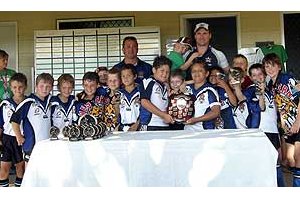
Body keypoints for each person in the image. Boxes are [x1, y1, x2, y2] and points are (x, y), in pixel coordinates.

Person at [263, 53, 300, 187]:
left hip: (298, 122)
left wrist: (297, 122)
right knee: (290, 160)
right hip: (288, 127)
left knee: (298, 159)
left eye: (273, 65)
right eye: (267, 66)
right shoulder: (271, 85)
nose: (270, 69)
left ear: (279, 66)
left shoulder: (287, 79)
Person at [248, 63, 285, 187]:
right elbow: (261, 108)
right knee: (264, 164)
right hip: (261, 131)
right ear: (251, 77)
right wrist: (261, 94)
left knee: (277, 162)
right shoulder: (251, 90)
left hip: (273, 130)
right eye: (254, 75)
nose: (258, 77)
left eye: (260, 74)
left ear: (264, 74)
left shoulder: (271, 88)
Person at [10, 73, 54, 164]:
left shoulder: (51, 101)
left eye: (48, 86)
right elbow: (14, 121)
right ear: (36, 86)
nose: (44, 89)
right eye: (41, 86)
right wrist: (19, 137)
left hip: (47, 143)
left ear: (51, 88)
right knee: (30, 173)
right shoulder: (28, 102)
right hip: (31, 145)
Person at [0, 73, 27, 187]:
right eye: (15, 87)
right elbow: (1, 124)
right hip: (7, 139)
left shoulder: (29, 103)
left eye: (20, 87)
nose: (18, 90)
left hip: (22, 140)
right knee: (4, 168)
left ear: (25, 87)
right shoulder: (5, 104)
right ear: (11, 88)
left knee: (20, 168)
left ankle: (18, 190)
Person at [139, 55, 174, 131]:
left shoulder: (166, 86)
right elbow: (144, 102)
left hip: (165, 125)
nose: (165, 74)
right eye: (162, 71)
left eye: (167, 72)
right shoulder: (148, 82)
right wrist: (163, 115)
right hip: (151, 124)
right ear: (154, 70)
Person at [184, 59, 221, 131]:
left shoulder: (210, 90)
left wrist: (196, 120)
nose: (196, 73)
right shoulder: (186, 89)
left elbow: (215, 112)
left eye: (200, 71)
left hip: (204, 132)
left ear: (206, 74)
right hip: (187, 131)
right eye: (194, 71)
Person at [51, 74, 76, 138]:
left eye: (69, 88)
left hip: (71, 137)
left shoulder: (75, 101)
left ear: (73, 88)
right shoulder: (52, 103)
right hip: (56, 139)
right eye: (64, 88)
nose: (67, 91)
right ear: (59, 88)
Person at [118, 64, 140, 132]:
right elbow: (117, 113)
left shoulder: (140, 92)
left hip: (138, 127)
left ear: (135, 76)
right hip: (123, 128)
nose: (125, 78)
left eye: (128, 75)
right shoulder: (118, 94)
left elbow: (145, 111)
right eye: (123, 76)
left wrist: (137, 124)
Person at [104, 68, 121, 132]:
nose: (113, 83)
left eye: (115, 80)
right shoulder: (103, 96)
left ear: (120, 81)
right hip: (106, 129)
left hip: (119, 129)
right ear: (107, 82)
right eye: (110, 81)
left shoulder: (124, 96)